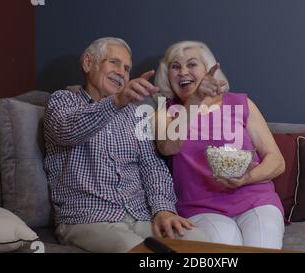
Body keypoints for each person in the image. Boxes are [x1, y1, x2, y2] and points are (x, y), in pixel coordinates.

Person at [43, 37, 208, 253]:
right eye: (114, 62)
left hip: (139, 216)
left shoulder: (135, 114)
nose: (121, 72)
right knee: (138, 252)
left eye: (127, 68)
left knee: (200, 242)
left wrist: (163, 210)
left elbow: (153, 166)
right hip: (88, 218)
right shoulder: (63, 100)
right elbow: (67, 131)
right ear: (88, 63)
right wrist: (116, 101)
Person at [153, 41, 286, 249]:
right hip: (200, 208)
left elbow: (276, 161)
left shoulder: (241, 103)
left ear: (208, 70)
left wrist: (246, 179)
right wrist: (196, 99)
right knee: (224, 247)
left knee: (263, 243)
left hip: (255, 199)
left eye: (191, 64)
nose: (183, 72)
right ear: (167, 75)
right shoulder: (164, 113)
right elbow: (168, 147)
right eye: (175, 66)